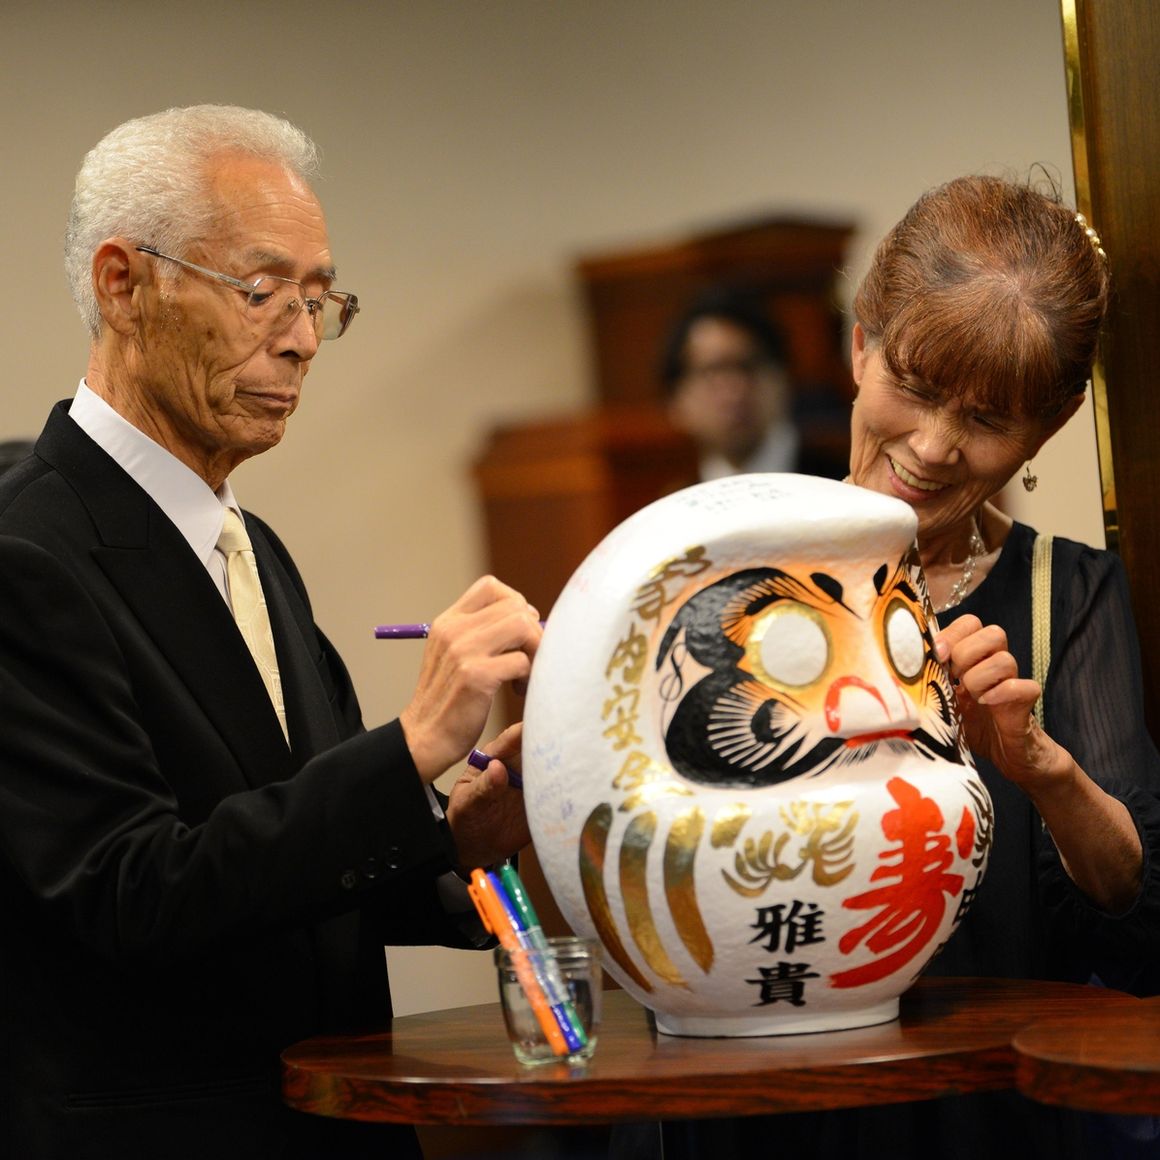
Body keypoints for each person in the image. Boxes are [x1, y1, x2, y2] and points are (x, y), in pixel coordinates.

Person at [0, 105, 539, 1160]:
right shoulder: (27, 557)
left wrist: (457, 839)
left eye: (318, 299)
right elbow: (132, 894)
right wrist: (409, 748)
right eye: (260, 292)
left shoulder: (253, 546)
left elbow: (292, 876)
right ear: (123, 284)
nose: (299, 339)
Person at [619, 176, 1160, 1160]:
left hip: (985, 1115)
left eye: (987, 419)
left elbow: (1133, 905)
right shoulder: (722, 566)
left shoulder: (1064, 593)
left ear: (1051, 424)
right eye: (914, 386)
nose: (932, 446)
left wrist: (1043, 768)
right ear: (861, 344)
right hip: (763, 1108)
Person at [658, 285, 849, 481]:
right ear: (675, 400)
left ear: (783, 378)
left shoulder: (842, 485)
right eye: (713, 371)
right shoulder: (675, 498)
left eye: (747, 366)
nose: (734, 391)